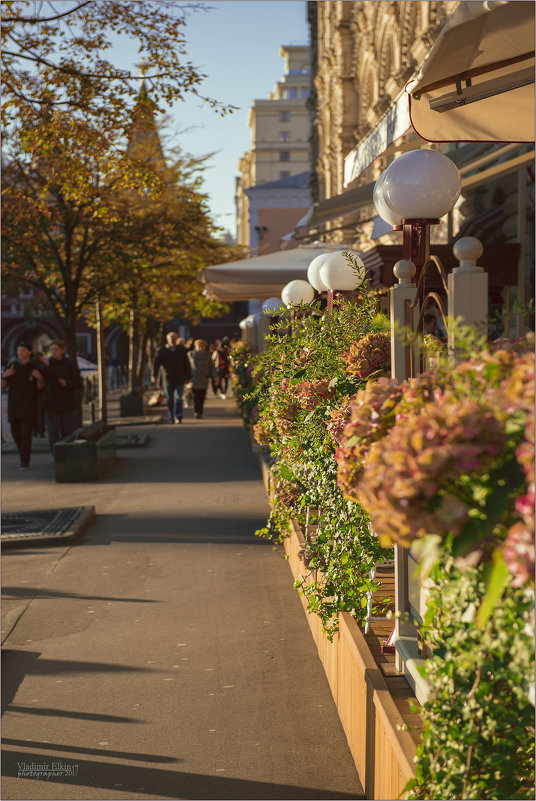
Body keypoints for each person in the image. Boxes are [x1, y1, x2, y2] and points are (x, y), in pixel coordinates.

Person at [1, 341, 46, 469]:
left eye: (23, 350)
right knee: (15, 433)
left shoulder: (35, 366)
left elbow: (40, 387)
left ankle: (24, 461)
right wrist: (4, 376)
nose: (20, 353)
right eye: (19, 350)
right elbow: (3, 386)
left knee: (26, 434)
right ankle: (23, 453)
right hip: (14, 404)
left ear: (29, 352)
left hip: (30, 405)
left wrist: (39, 378)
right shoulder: (12, 365)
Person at [41, 339, 82, 451]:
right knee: (52, 429)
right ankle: (55, 454)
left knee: (66, 429)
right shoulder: (46, 364)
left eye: (56, 349)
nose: (54, 352)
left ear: (63, 350)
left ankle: (66, 453)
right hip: (51, 401)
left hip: (66, 401)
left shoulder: (69, 364)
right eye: (51, 350)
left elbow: (78, 383)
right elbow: (43, 381)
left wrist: (67, 383)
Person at [152, 331, 191, 424]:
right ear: (167, 340)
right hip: (167, 379)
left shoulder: (181, 349)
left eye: (175, 339)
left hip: (180, 378)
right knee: (169, 399)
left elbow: (187, 363)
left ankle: (179, 416)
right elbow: (156, 364)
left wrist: (188, 376)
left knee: (178, 397)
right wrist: (154, 375)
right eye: (171, 339)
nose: (173, 341)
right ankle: (171, 417)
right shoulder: (162, 350)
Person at [188, 339, 212, 419]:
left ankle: (200, 412)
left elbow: (212, 367)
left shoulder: (208, 355)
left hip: (203, 379)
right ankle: (196, 411)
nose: (200, 348)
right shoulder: (190, 354)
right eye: (199, 346)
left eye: (202, 346)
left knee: (201, 396)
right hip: (194, 379)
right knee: (195, 396)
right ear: (195, 347)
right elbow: (186, 366)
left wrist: (215, 376)